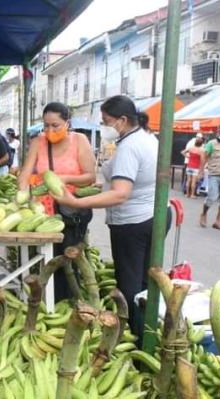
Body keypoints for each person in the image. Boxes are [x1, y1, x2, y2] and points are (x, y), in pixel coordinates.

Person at [50, 95, 156, 337]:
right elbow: (119, 178)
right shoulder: (145, 137)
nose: (104, 126)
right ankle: (147, 333)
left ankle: (135, 338)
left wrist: (75, 201)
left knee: (129, 288)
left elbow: (120, 194)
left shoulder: (131, 146)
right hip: (150, 218)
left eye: (106, 121)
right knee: (142, 284)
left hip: (133, 224)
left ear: (122, 120)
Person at [18, 102, 96, 300]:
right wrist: (22, 193)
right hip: (44, 212)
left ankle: (69, 303)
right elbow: (25, 173)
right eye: (46, 125)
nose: (50, 130)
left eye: (55, 125)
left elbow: (90, 176)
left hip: (72, 209)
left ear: (67, 123)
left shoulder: (80, 140)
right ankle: (46, 300)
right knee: (47, 259)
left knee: (67, 261)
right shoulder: (38, 142)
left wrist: (65, 179)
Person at [181, 134, 204, 198]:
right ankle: (192, 194)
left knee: (188, 181)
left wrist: (187, 156)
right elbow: (202, 160)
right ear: (201, 144)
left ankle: (187, 194)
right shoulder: (201, 150)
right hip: (196, 167)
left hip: (189, 166)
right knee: (193, 182)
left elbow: (182, 152)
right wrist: (201, 169)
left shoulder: (191, 148)